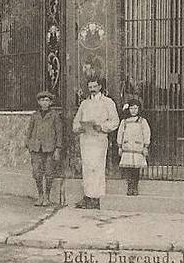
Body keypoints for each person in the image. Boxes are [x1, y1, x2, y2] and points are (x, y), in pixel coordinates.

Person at [71, 78, 120, 210]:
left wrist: (102, 127)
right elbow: (76, 121)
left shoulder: (108, 102)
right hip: (86, 139)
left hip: (99, 139)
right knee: (87, 168)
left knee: (97, 168)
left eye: (94, 86)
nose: (92, 89)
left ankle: (96, 198)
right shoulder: (84, 104)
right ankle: (87, 196)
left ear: (100, 87)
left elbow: (115, 121)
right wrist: (79, 128)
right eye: (90, 86)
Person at [24, 90, 64, 207]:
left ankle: (47, 196)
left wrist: (58, 148)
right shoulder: (35, 116)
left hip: (49, 148)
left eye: (47, 100)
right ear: (39, 102)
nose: (44, 103)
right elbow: (29, 131)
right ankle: (40, 195)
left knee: (49, 173)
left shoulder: (54, 116)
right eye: (42, 100)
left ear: (51, 102)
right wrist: (29, 144)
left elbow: (59, 133)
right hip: (36, 148)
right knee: (37, 173)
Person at [117, 97, 151, 196]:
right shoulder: (124, 122)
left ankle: (135, 187)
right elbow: (120, 134)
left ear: (139, 109)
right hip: (127, 149)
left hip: (137, 148)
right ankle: (129, 187)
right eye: (131, 108)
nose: (133, 110)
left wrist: (145, 146)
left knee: (136, 170)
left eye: (135, 108)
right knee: (128, 169)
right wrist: (120, 146)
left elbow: (146, 133)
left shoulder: (142, 121)